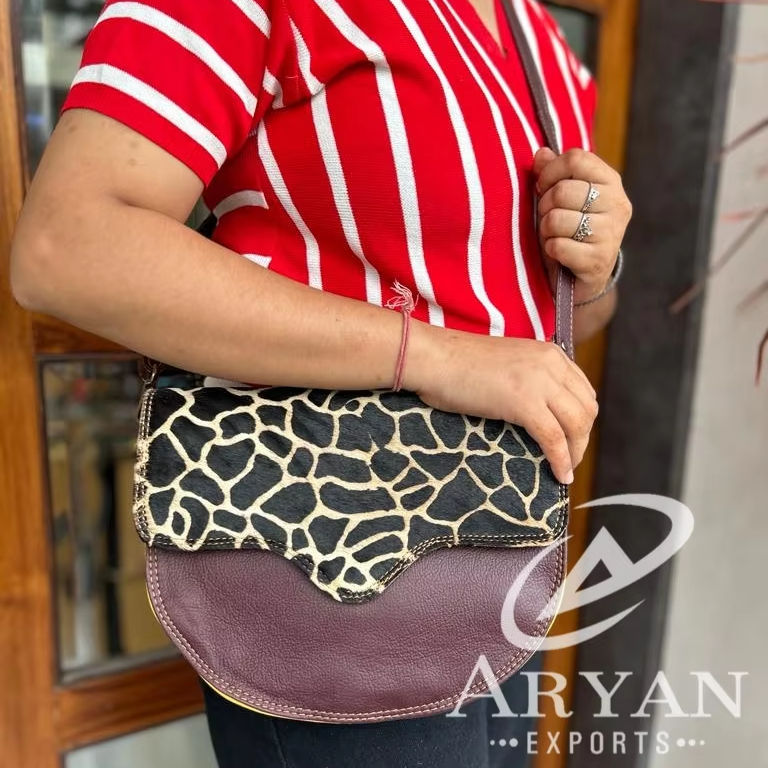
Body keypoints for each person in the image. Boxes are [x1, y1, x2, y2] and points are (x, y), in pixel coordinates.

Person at [10, 0, 632, 765]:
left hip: (505, 544)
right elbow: (68, 246)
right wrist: (439, 357)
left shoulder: (543, 45)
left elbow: (547, 316)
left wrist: (595, 269)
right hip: (334, 554)